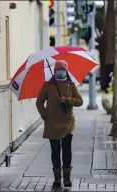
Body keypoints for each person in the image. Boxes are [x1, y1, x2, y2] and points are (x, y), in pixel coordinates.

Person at [36, 60, 83, 188]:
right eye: (58, 70)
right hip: (52, 123)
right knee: (55, 151)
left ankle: (67, 178)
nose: (60, 72)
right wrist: (45, 114)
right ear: (55, 71)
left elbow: (80, 101)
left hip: (68, 123)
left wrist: (67, 100)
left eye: (63, 70)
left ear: (66, 72)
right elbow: (39, 102)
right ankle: (57, 179)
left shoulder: (71, 85)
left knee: (67, 150)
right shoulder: (48, 85)